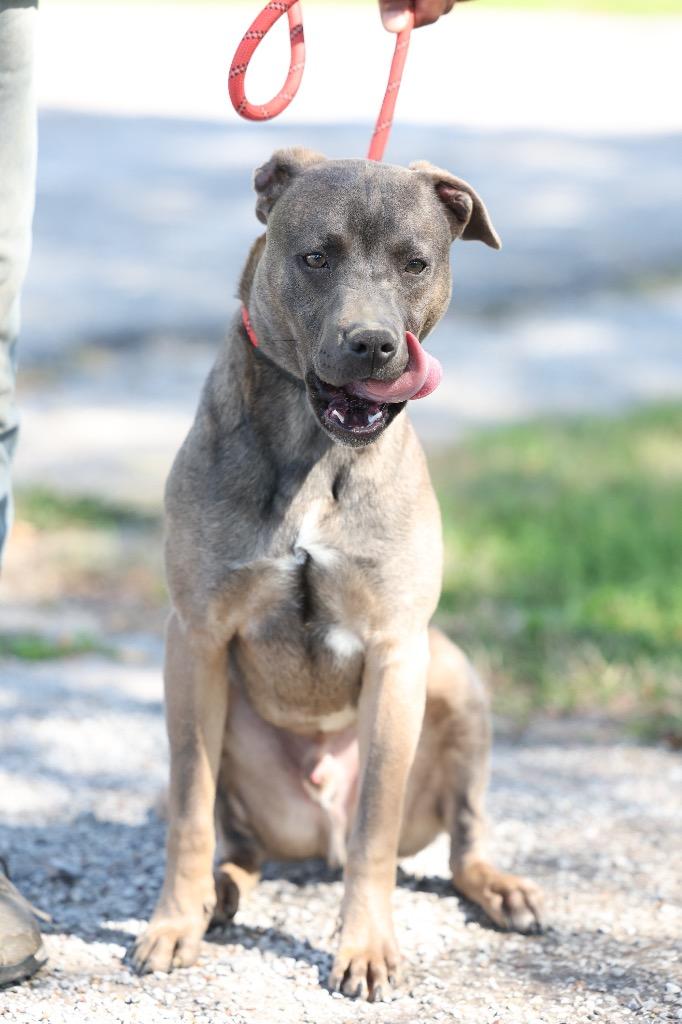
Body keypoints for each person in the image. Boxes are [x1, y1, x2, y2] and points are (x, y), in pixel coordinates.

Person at [0, 0, 469, 987]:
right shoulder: (217, 458)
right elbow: (195, 637)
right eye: (316, 261)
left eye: (410, 268)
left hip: (372, 766)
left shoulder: (392, 421)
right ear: (268, 224)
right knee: (202, 629)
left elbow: (398, 658)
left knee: (437, 663)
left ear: (449, 251)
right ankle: (208, 867)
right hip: (267, 751)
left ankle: (438, 862)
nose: (366, 318)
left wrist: (373, 895)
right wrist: (181, 875)